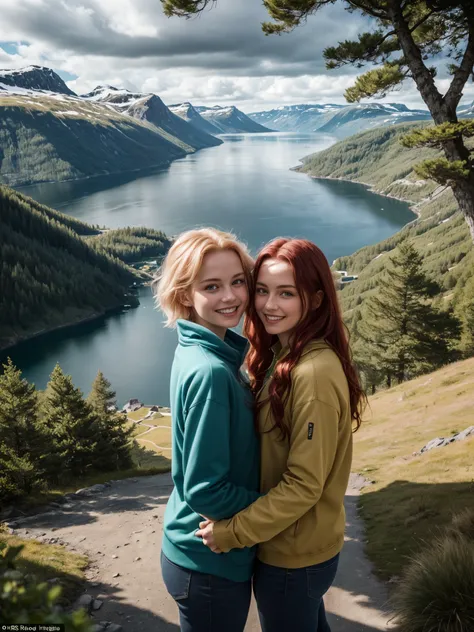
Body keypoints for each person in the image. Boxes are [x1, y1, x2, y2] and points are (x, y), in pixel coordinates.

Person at [197, 237, 366, 632]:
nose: (269, 305)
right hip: (292, 547)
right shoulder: (284, 357)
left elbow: (304, 485)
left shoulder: (313, 375)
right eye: (262, 291)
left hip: (294, 557)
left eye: (286, 293)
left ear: (318, 300)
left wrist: (232, 533)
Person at [153, 228, 260, 632]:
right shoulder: (211, 372)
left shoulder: (198, 348)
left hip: (196, 560)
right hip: (208, 565)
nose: (230, 297)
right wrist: (275, 506)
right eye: (211, 286)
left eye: (237, 282)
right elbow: (204, 489)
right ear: (184, 294)